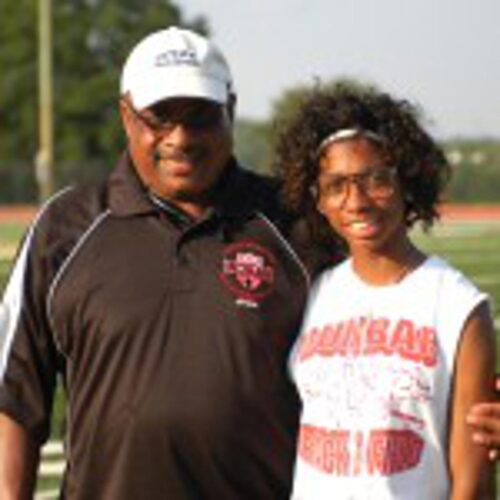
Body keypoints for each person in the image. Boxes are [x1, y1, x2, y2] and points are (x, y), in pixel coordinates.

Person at [0, 27, 329, 499]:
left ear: (231, 111)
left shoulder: (295, 224)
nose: (180, 138)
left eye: (201, 117)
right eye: (159, 118)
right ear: (126, 115)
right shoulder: (65, 227)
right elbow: (14, 394)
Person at [275, 86, 496, 499]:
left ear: (407, 182)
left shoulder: (458, 306)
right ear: (318, 199)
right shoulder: (312, 291)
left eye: (376, 179)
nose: (356, 201)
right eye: (336, 185)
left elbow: (474, 484)